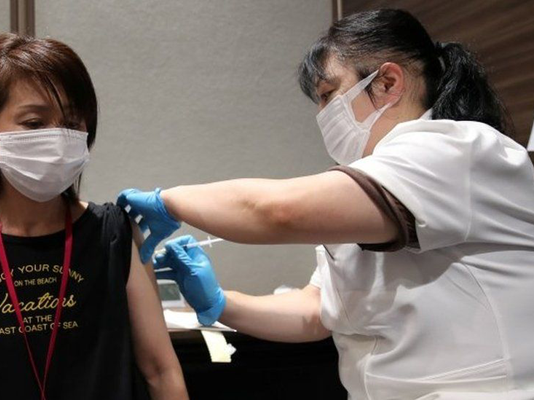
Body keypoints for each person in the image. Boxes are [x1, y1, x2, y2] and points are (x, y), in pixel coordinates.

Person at [117, 9, 534, 400]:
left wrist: (169, 201)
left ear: (388, 83)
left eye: (328, 94)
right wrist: (218, 301)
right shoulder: (375, 183)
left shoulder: (454, 151)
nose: (322, 114)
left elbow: (277, 212)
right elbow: (316, 311)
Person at [0, 34, 188, 400]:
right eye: (34, 123)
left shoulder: (114, 233)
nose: (56, 139)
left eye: (70, 121)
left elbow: (161, 372)